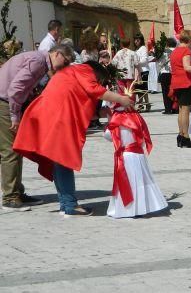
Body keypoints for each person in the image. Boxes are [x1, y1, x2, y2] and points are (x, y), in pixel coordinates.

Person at [14, 60, 133, 217]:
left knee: (58, 161)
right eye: (100, 80)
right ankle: (70, 206)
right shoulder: (85, 70)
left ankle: (65, 203)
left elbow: (78, 100)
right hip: (57, 118)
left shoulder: (72, 72)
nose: (100, 84)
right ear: (96, 72)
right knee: (64, 159)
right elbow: (93, 89)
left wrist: (100, 113)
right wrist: (121, 99)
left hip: (49, 114)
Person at [0, 44, 74, 211]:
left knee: (16, 149)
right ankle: (10, 197)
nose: (66, 66)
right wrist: (14, 115)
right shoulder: (39, 61)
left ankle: (17, 192)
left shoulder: (39, 60)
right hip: (4, 104)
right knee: (10, 151)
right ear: (56, 53)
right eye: (66, 61)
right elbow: (15, 89)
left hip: (6, 102)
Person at [104, 95, 168, 218]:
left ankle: (126, 209)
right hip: (138, 155)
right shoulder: (137, 118)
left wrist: (107, 123)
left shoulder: (116, 120)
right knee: (139, 182)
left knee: (127, 182)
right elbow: (144, 139)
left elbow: (108, 136)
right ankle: (141, 208)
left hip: (124, 156)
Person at [133, 32, 154, 111]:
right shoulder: (137, 49)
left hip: (143, 70)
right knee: (139, 89)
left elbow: (145, 60)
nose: (136, 42)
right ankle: (142, 104)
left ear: (141, 40)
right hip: (138, 71)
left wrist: (136, 63)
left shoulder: (143, 48)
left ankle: (145, 104)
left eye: (138, 40)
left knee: (143, 89)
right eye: (135, 40)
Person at [158, 38, 177, 114]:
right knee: (174, 91)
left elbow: (160, 63)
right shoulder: (177, 51)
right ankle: (175, 108)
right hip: (175, 73)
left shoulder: (165, 52)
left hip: (165, 73)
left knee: (166, 92)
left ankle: (168, 109)